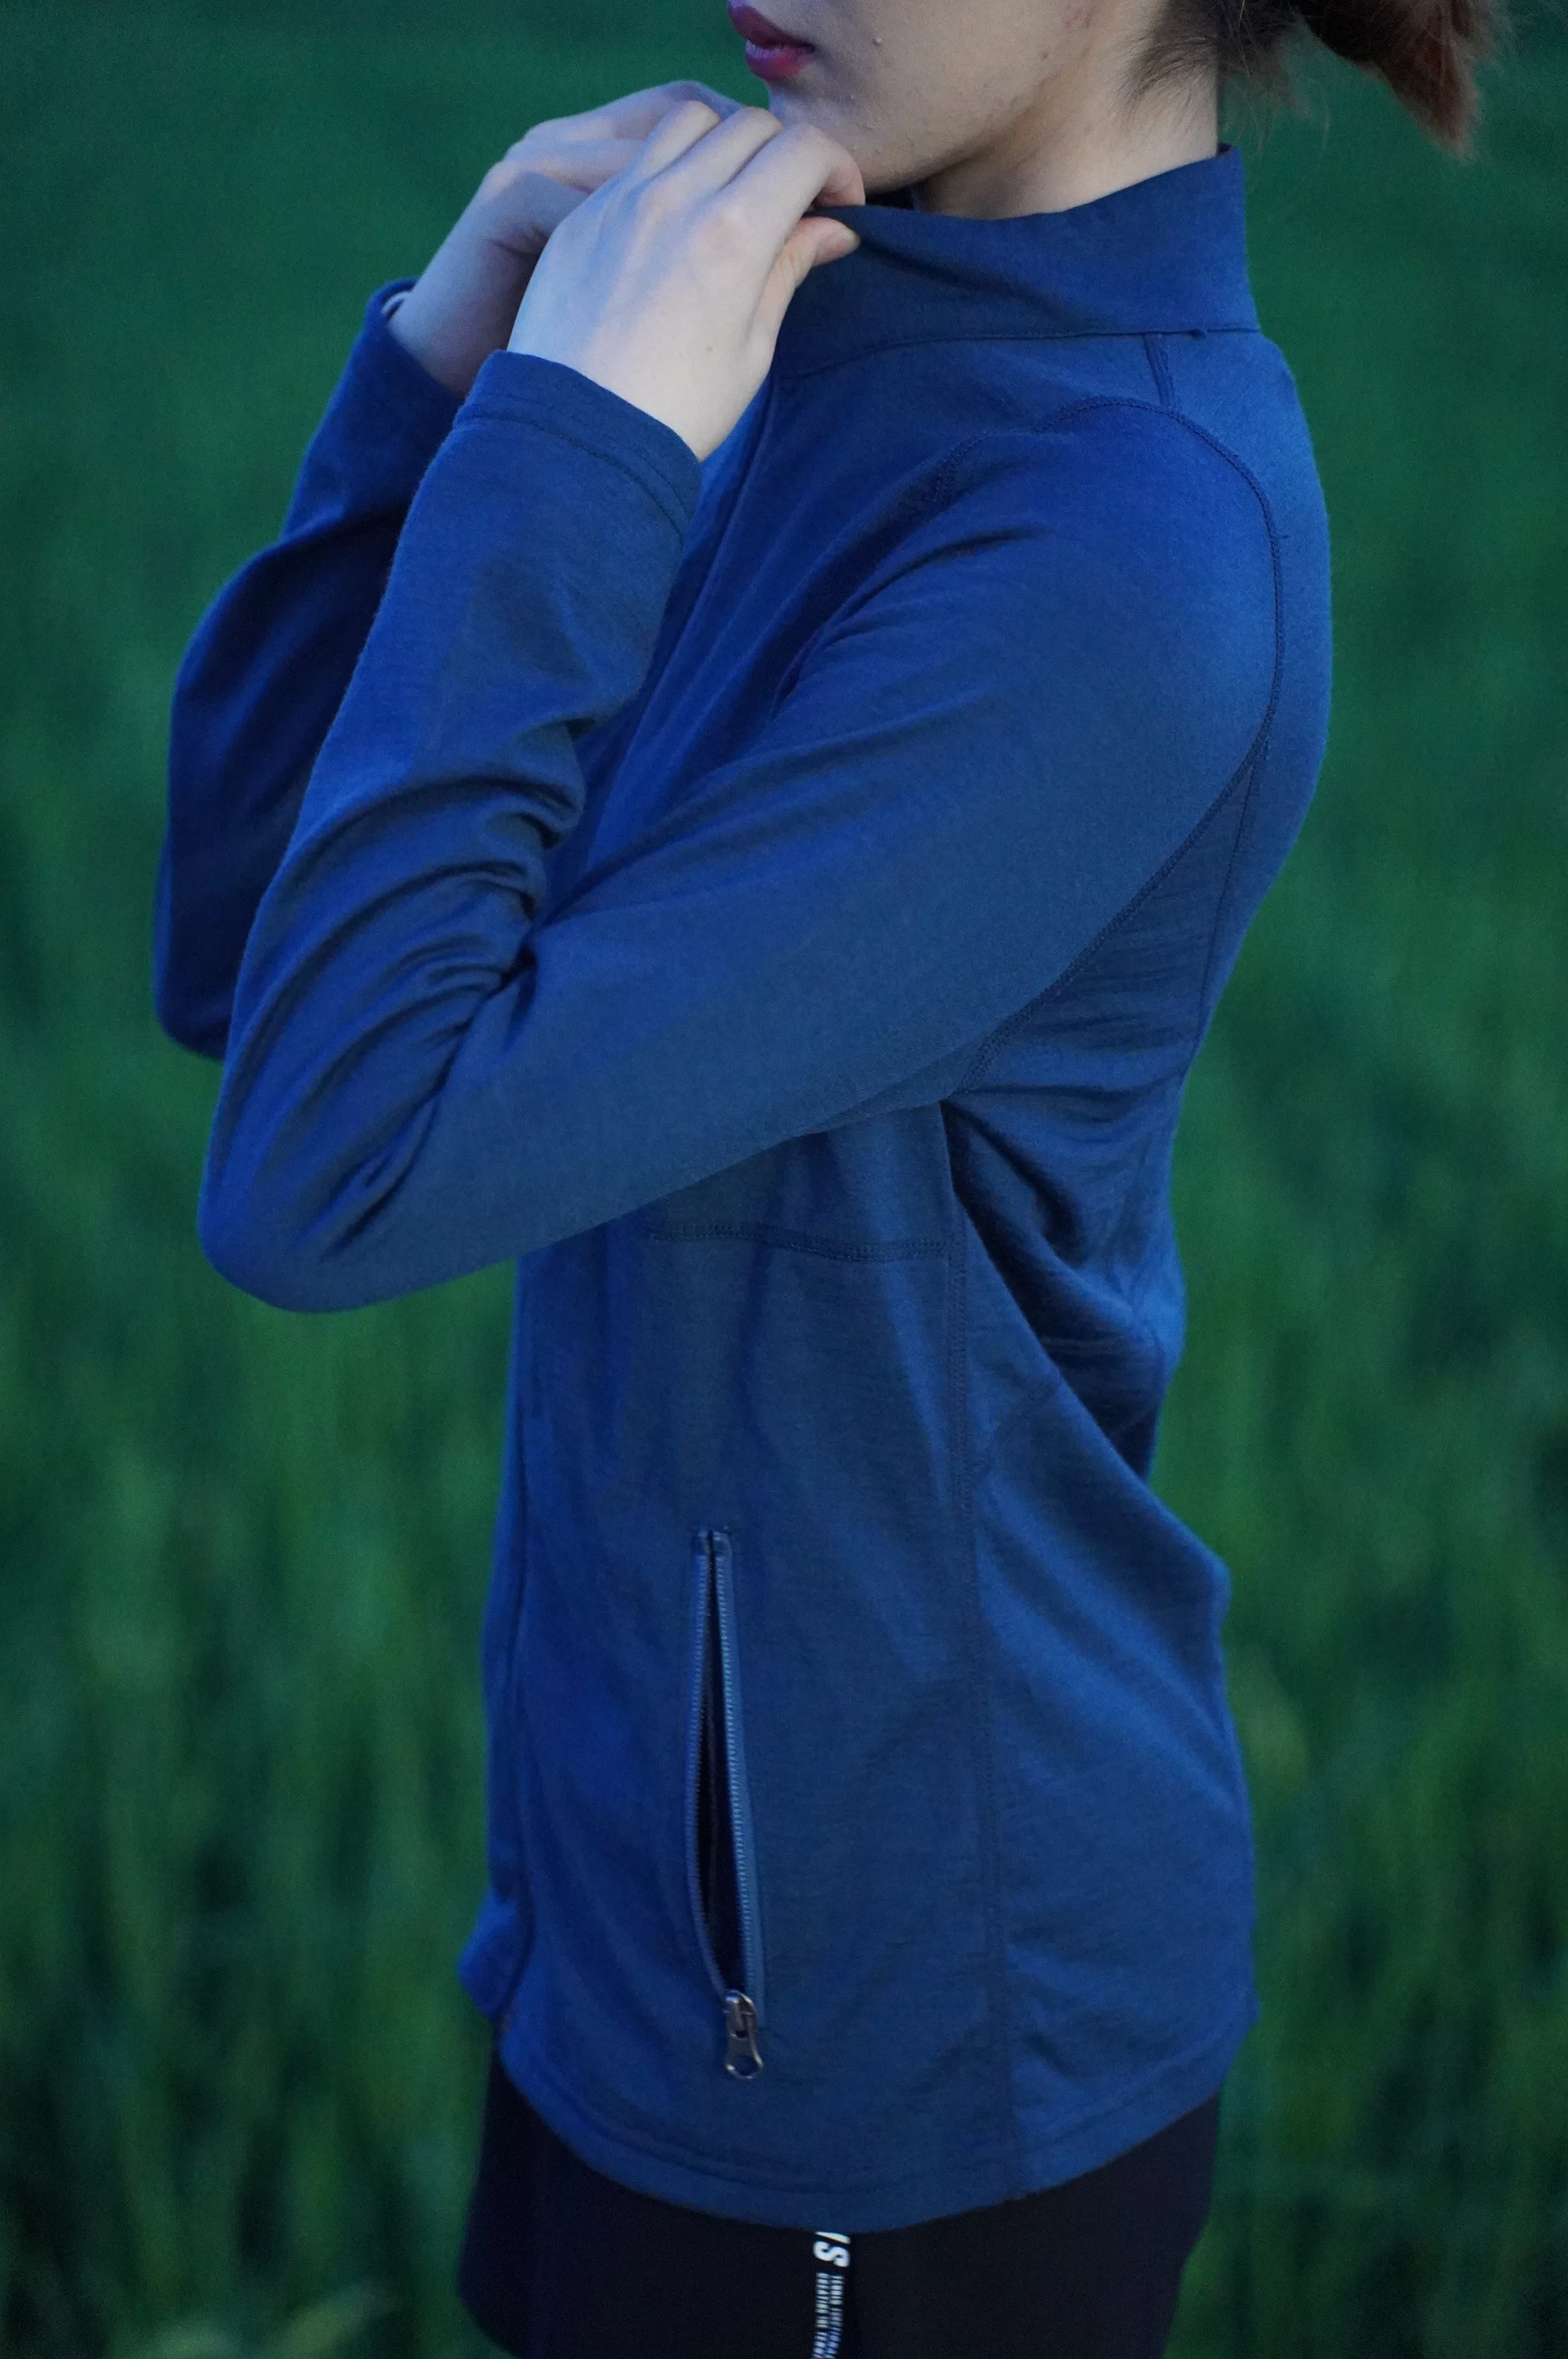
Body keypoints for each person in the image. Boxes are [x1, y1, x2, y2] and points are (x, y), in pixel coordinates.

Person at [153, 0, 1504, 2350]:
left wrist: (576, 444)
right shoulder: (781, 331)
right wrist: (447, 376)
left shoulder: (1125, 550)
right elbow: (248, 970)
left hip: (890, 2044)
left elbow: (325, 1172)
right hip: (636, 1926)